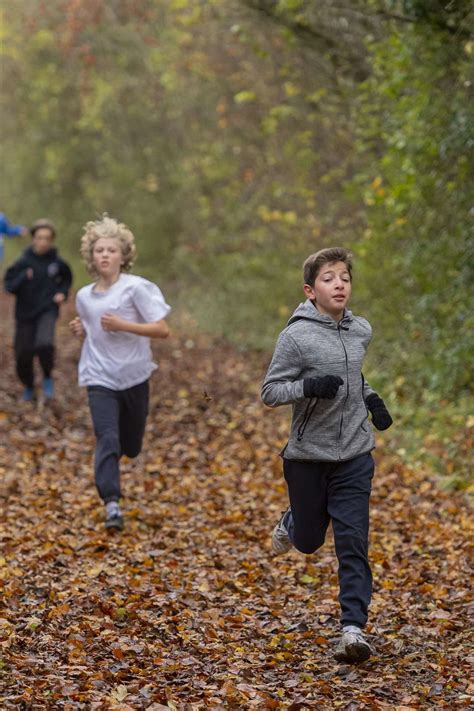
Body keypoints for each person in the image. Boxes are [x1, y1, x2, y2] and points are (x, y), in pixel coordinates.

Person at [261, 247, 393, 664]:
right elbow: (270, 392)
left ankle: (352, 630)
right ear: (310, 289)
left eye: (345, 278)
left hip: (355, 453)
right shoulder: (295, 337)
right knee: (309, 541)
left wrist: (371, 399)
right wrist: (308, 386)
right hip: (307, 456)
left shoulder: (361, 330)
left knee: (353, 541)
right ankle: (295, 519)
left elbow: (354, 376)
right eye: (329, 278)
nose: (339, 284)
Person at [69, 215, 171, 531]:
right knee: (107, 437)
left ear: (123, 255)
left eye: (111, 250)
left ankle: (125, 455)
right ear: (91, 256)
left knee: (131, 445)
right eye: (99, 250)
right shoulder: (84, 296)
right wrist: (81, 330)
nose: (104, 255)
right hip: (99, 376)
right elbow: (92, 328)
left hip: (134, 376)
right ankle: (112, 503)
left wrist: (123, 325)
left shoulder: (137, 288)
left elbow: (162, 329)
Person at [4, 219, 73, 401]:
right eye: (39, 237)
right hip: (25, 314)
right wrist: (23, 278)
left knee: (45, 344)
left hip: (47, 310)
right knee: (22, 354)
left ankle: (48, 376)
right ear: (33, 238)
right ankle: (29, 385)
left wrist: (62, 293)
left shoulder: (58, 263)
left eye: (47, 238)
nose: (43, 242)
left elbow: (66, 280)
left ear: (52, 240)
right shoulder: (22, 262)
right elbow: (9, 286)